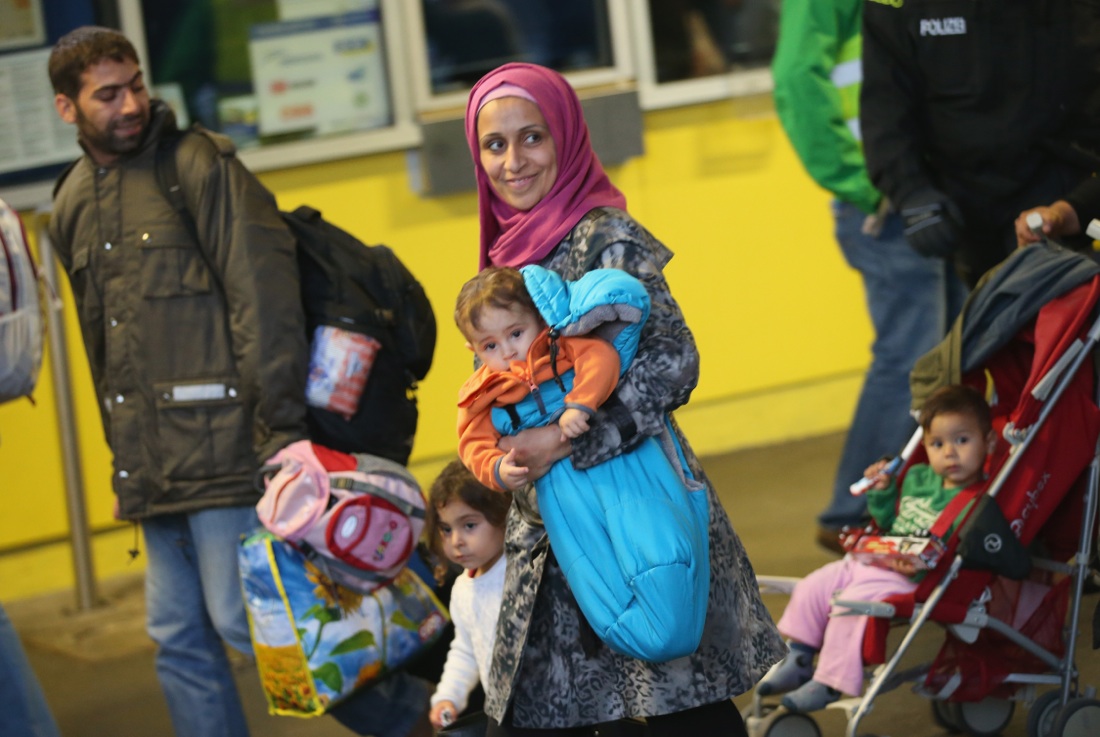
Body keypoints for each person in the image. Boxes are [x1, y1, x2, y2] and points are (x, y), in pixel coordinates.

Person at [46, 26, 430, 737]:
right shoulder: (69, 203)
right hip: (153, 467)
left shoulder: (198, 167)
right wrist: (125, 459)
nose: (130, 103)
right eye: (108, 94)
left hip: (233, 447)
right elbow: (105, 349)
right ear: (68, 109)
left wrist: (281, 430)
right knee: (178, 636)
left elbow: (267, 299)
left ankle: (428, 720)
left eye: (134, 83)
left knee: (258, 620)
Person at [464, 61, 785, 736]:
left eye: (533, 137)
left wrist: (561, 439)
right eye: (495, 144)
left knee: (676, 700)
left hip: (630, 508)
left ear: (567, 138)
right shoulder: (500, 259)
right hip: (550, 530)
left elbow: (672, 360)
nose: (514, 161)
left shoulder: (603, 236)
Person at [771, 0, 968, 553]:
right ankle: (854, 509)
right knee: (910, 359)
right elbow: (796, 83)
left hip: (932, 197)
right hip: (887, 203)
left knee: (948, 357)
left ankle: (919, 504)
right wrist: (867, 185)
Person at [757, 384, 995, 713]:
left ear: (989, 442)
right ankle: (798, 655)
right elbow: (888, 519)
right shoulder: (918, 478)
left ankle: (830, 681)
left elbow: (964, 552)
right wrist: (882, 493)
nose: (949, 453)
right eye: (937, 444)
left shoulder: (978, 501)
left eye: (962, 440)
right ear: (925, 445)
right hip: (879, 556)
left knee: (855, 602)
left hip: (914, 576)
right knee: (817, 583)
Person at [860, 0, 1100, 288]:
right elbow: (884, 103)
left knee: (1061, 321)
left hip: (1058, 187)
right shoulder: (894, 5)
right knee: (989, 323)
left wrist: (1081, 201)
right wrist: (912, 192)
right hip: (963, 203)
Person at [454, 265, 622, 491]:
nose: (507, 352)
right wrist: (497, 468)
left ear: (539, 320)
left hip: (613, 464)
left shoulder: (559, 348)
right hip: (555, 489)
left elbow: (600, 357)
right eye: (490, 346)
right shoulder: (485, 394)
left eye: (516, 334)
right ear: (474, 350)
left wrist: (580, 404)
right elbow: (473, 442)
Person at [425, 460, 512, 731]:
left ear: (503, 514)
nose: (456, 542)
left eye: (469, 525)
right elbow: (466, 648)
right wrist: (448, 696)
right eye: (446, 529)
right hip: (505, 712)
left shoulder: (522, 572)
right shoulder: (463, 588)